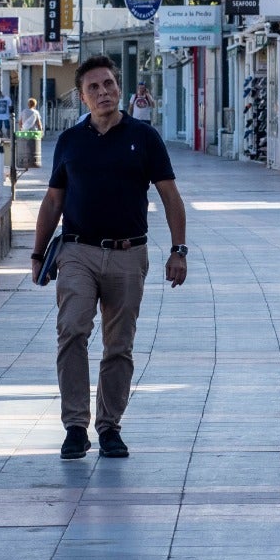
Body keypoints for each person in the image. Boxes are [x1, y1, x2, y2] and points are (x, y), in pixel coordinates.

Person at [32, 55, 187, 460]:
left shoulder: (144, 137)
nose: (105, 92)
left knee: (119, 344)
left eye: (110, 84)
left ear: (120, 88)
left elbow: (170, 195)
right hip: (78, 251)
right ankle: (74, 427)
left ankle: (109, 426)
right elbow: (53, 200)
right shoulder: (70, 141)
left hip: (128, 254)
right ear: (83, 97)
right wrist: (36, 253)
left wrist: (178, 250)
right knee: (72, 331)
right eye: (94, 87)